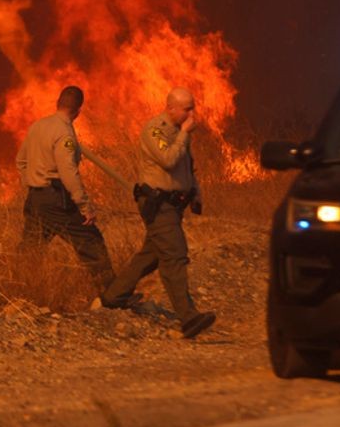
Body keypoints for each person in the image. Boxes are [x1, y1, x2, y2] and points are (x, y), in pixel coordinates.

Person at [101, 87, 216, 338]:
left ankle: (113, 295)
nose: (191, 113)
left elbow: (187, 168)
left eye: (192, 108)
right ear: (171, 107)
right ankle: (188, 318)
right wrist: (184, 134)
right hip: (158, 204)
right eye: (187, 109)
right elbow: (168, 159)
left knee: (151, 254)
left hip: (174, 205)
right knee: (174, 254)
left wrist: (195, 194)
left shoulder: (179, 133)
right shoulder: (155, 130)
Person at [16, 85, 116, 291]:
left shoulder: (37, 126)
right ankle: (113, 294)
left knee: (31, 250)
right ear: (78, 111)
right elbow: (68, 172)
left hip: (35, 199)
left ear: (57, 103)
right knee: (91, 241)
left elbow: (20, 161)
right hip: (56, 200)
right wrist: (84, 205)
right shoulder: (65, 134)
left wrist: (34, 182)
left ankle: (20, 290)